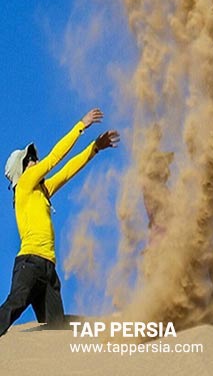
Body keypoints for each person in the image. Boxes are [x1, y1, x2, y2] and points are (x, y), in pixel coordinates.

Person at [0, 108, 119, 336]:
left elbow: (65, 172)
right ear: (22, 169)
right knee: (13, 306)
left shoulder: (42, 191)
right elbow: (55, 158)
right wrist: (81, 126)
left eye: (34, 157)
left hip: (48, 269)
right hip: (30, 264)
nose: (35, 160)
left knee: (57, 328)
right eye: (31, 159)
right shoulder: (25, 185)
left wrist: (94, 149)